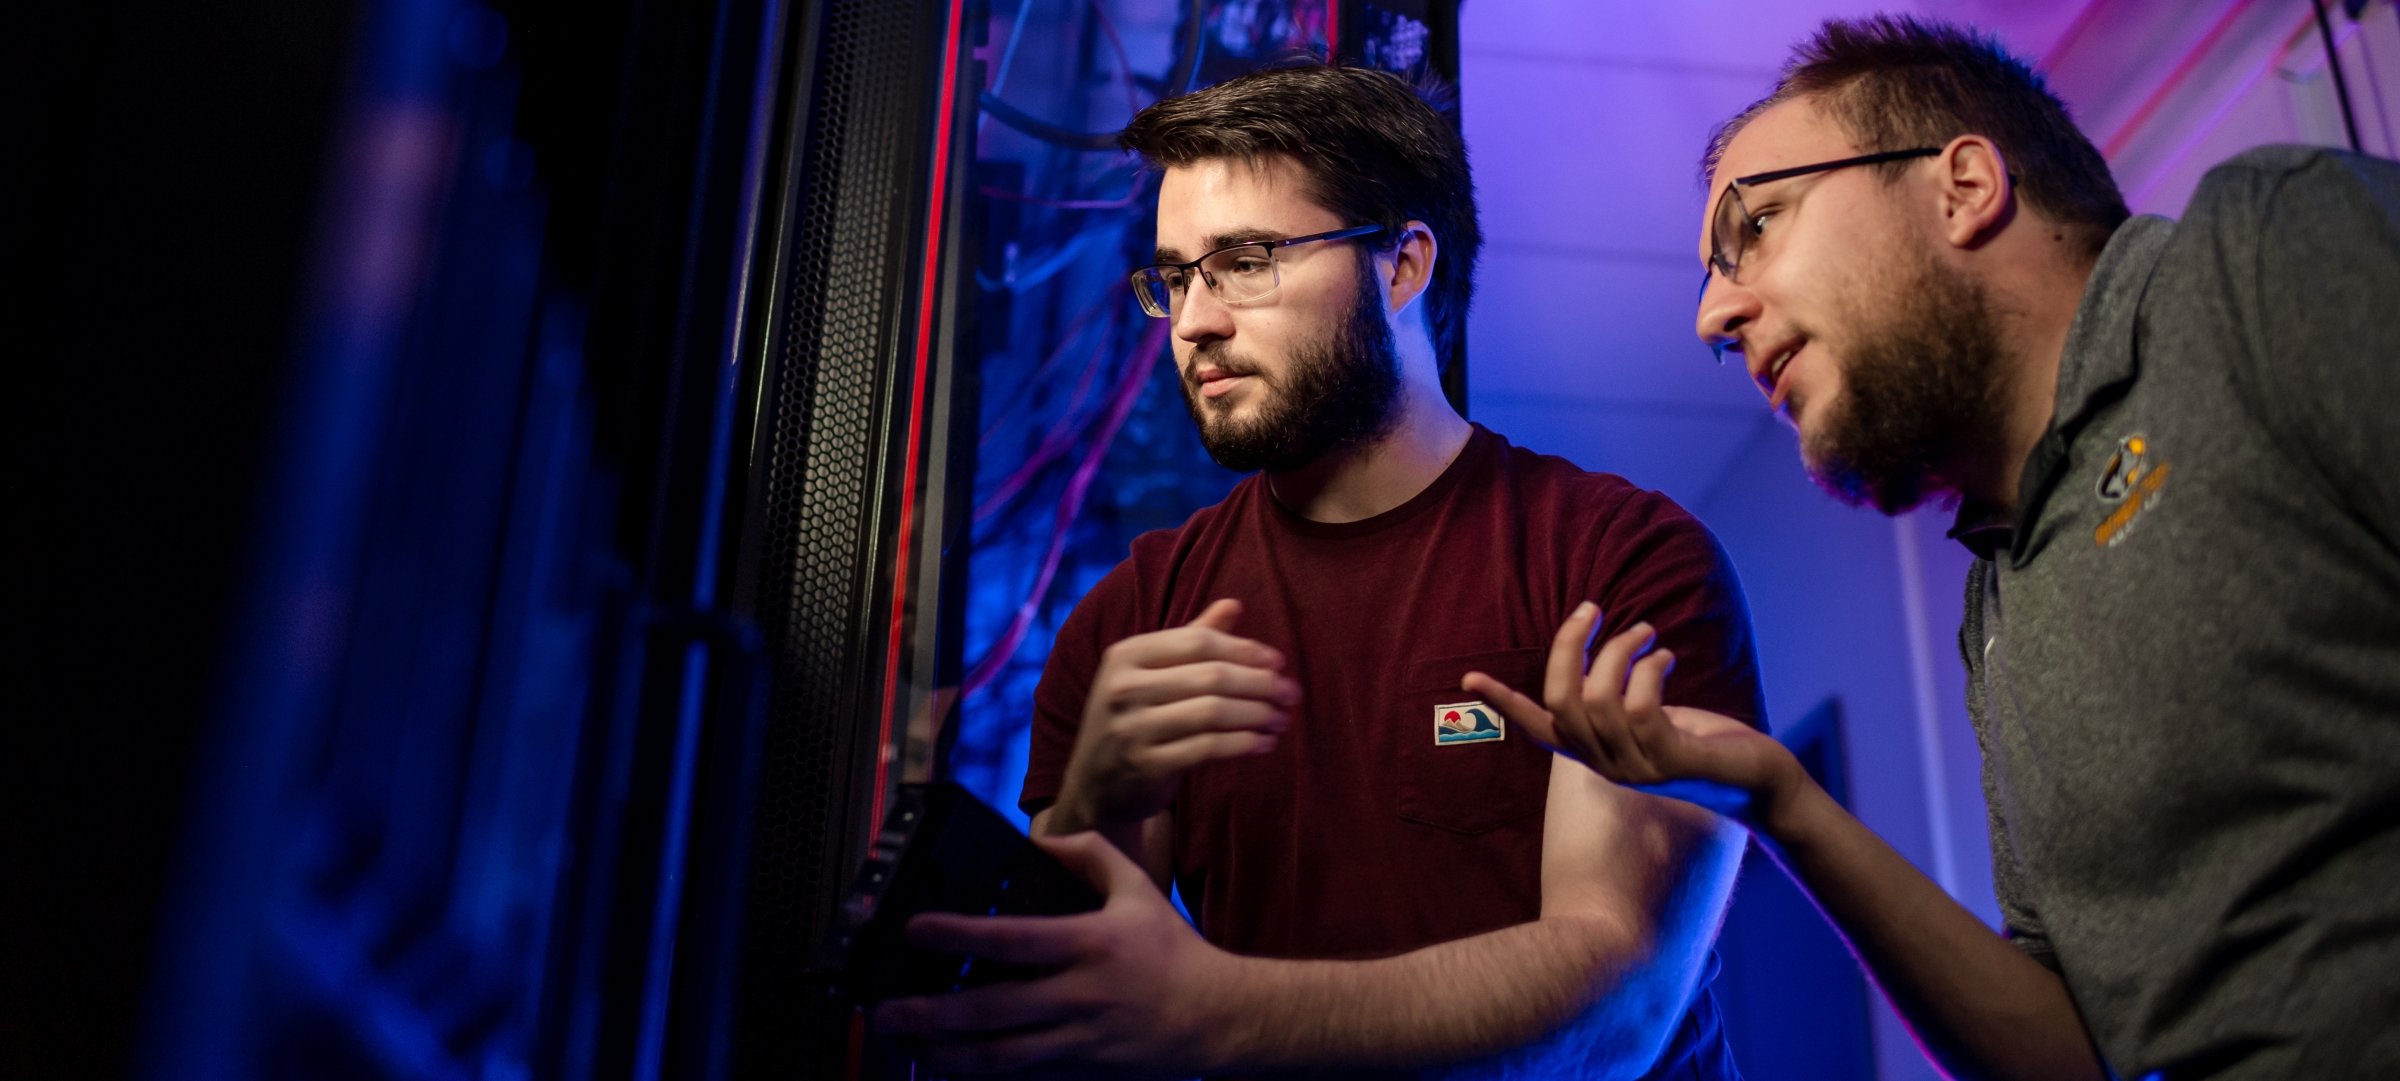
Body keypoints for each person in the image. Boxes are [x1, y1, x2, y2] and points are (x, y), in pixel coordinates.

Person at [1467, 15, 2400, 1080]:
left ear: (1963, 188)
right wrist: (1783, 802)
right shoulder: (1999, 599)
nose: (1713, 316)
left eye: (1758, 224)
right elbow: (2066, 1047)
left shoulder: (2256, 255)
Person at [872, 63, 1767, 1078]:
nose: (1197, 321)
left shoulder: (1618, 561)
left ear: (1400, 266)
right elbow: (1087, 1023)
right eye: (1174, 278)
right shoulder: (1132, 624)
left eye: (1244, 260)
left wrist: (1220, 1013)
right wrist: (1097, 805)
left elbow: (1620, 1007)